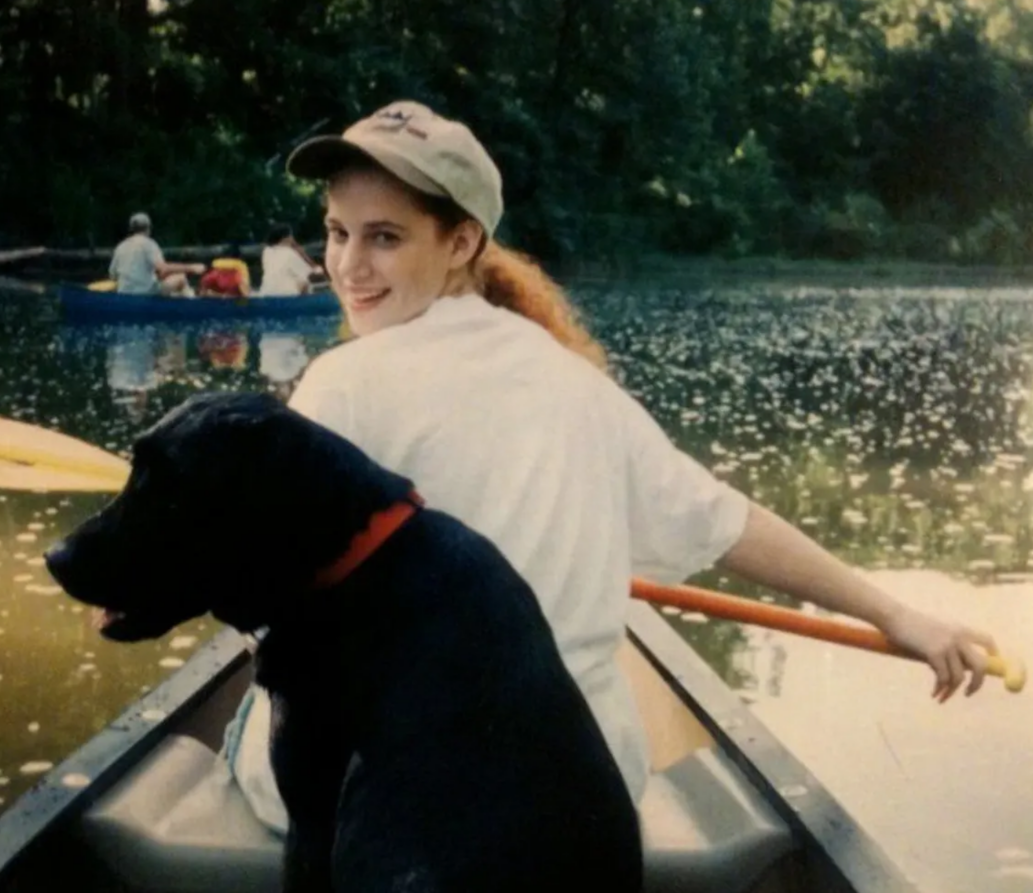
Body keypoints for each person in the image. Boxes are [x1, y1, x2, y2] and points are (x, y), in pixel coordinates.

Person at [224, 100, 1000, 834]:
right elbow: (729, 523)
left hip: (400, 795)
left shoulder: (344, 382)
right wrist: (895, 612)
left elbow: (269, 594)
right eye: (337, 232)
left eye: (384, 237)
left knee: (252, 715)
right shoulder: (577, 382)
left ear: (461, 243)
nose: (348, 265)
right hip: (580, 788)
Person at [109, 212, 205, 297]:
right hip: (145, 293)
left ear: (130, 229)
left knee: (167, 288)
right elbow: (163, 269)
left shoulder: (120, 246)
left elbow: (112, 275)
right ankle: (194, 309)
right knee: (181, 279)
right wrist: (192, 267)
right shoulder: (149, 244)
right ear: (148, 228)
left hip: (124, 293)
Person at [258, 223, 321, 295]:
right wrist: (318, 270)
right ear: (285, 238)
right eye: (291, 235)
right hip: (287, 294)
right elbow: (310, 275)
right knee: (304, 282)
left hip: (266, 292)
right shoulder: (289, 253)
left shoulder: (267, 251)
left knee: (296, 277)